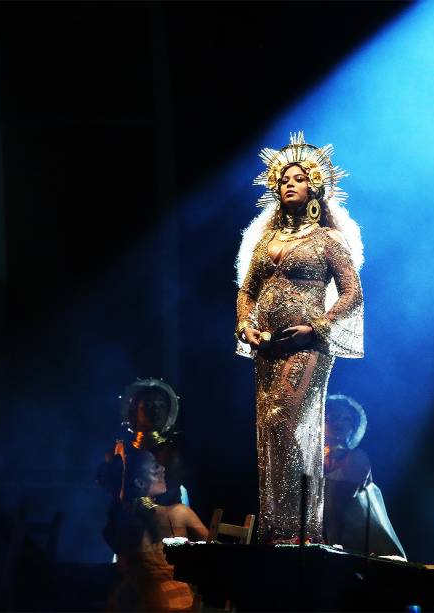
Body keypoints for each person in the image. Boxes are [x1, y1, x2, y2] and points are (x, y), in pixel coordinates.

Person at [234, 131, 363, 544]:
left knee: (286, 420)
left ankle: (301, 524)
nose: (289, 182)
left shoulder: (327, 240)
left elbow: (352, 292)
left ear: (314, 187)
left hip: (307, 343)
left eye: (298, 178)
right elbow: (247, 291)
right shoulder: (266, 242)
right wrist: (244, 324)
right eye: (283, 178)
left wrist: (318, 326)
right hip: (267, 345)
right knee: (268, 427)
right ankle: (276, 523)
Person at [97, 441, 208, 612]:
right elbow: (217, 558)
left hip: (129, 605)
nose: (163, 469)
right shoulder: (178, 514)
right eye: (155, 467)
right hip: (174, 606)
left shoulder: (118, 522)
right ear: (140, 483)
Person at [323, 393, 405, 558]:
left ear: (353, 426)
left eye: (346, 418)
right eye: (334, 416)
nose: (340, 422)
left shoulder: (357, 457)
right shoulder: (315, 460)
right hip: (329, 538)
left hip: (361, 540)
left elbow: (345, 497)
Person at [121, 378, 190, 506]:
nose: (156, 410)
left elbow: (169, 499)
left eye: (161, 405)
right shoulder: (120, 449)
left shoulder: (170, 453)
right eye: (148, 405)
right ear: (134, 409)